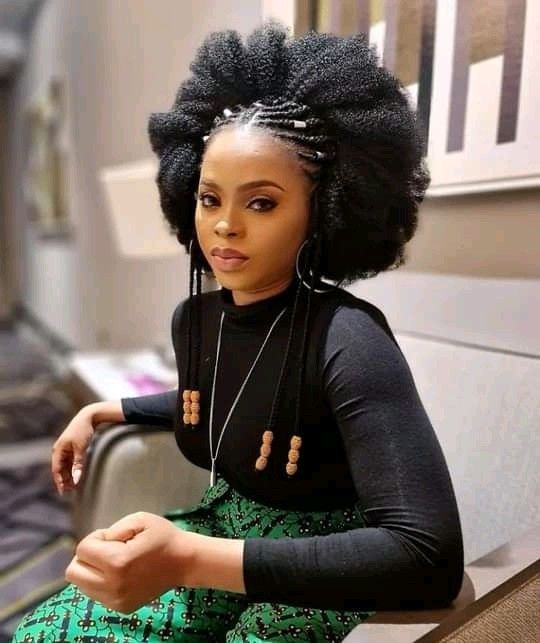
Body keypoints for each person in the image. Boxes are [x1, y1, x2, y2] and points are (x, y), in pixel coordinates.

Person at [13, 20, 464, 643]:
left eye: (261, 202)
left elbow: (429, 556)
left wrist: (188, 559)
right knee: (49, 632)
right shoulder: (196, 319)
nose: (225, 225)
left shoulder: (350, 338)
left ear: (323, 211)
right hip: (221, 528)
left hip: (327, 563)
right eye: (209, 199)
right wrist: (103, 410)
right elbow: (223, 401)